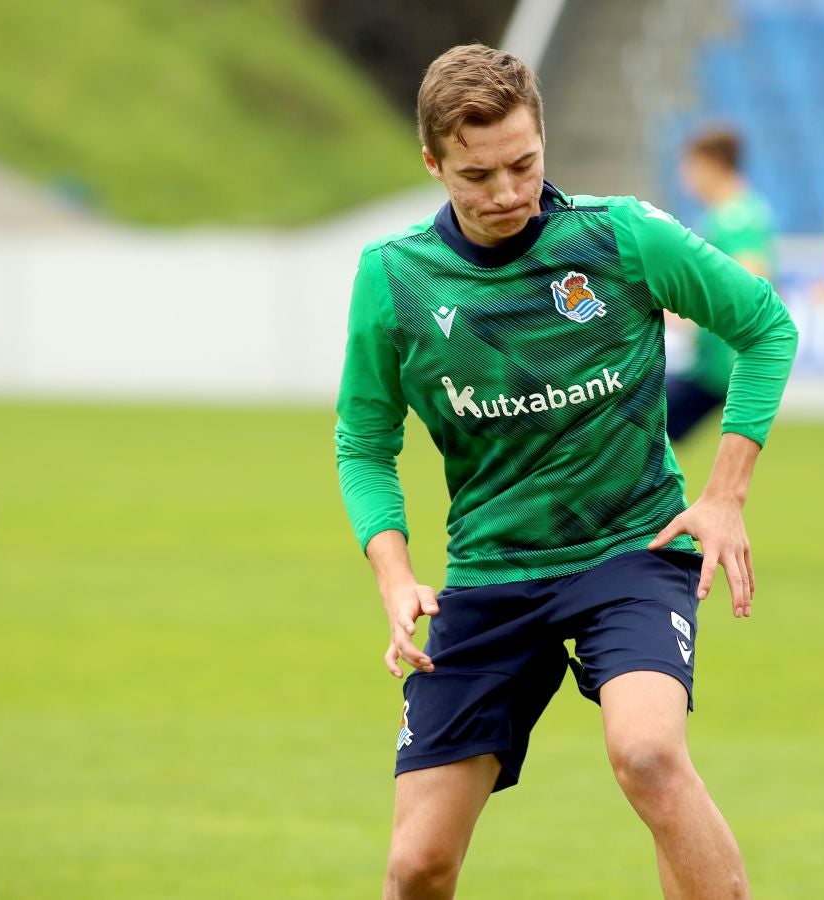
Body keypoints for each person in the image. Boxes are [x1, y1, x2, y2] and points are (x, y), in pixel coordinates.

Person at [334, 44, 798, 899]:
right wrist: (394, 576)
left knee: (649, 755)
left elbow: (766, 325)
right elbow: (364, 444)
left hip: (632, 551)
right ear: (433, 162)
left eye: (524, 163)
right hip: (490, 575)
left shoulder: (621, 237)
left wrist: (725, 493)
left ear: (543, 137)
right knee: (416, 866)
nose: (507, 193)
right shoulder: (393, 281)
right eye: (477, 177)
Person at [667, 126, 779, 442]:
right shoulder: (738, 211)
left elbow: (753, 281)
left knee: (634, 425)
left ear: (712, 164)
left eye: (690, 165)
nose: (685, 176)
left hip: (722, 367)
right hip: (711, 363)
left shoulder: (735, 218)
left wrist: (691, 314)